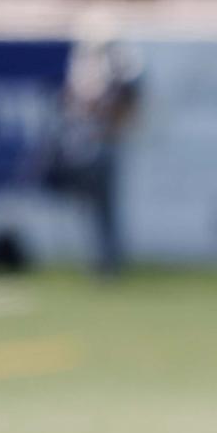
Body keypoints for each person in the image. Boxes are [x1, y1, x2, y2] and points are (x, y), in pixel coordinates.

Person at [48, 37, 143, 277]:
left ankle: (108, 262)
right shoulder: (86, 68)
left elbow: (124, 105)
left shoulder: (118, 68)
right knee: (92, 208)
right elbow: (71, 104)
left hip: (103, 145)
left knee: (104, 209)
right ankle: (102, 261)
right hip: (84, 147)